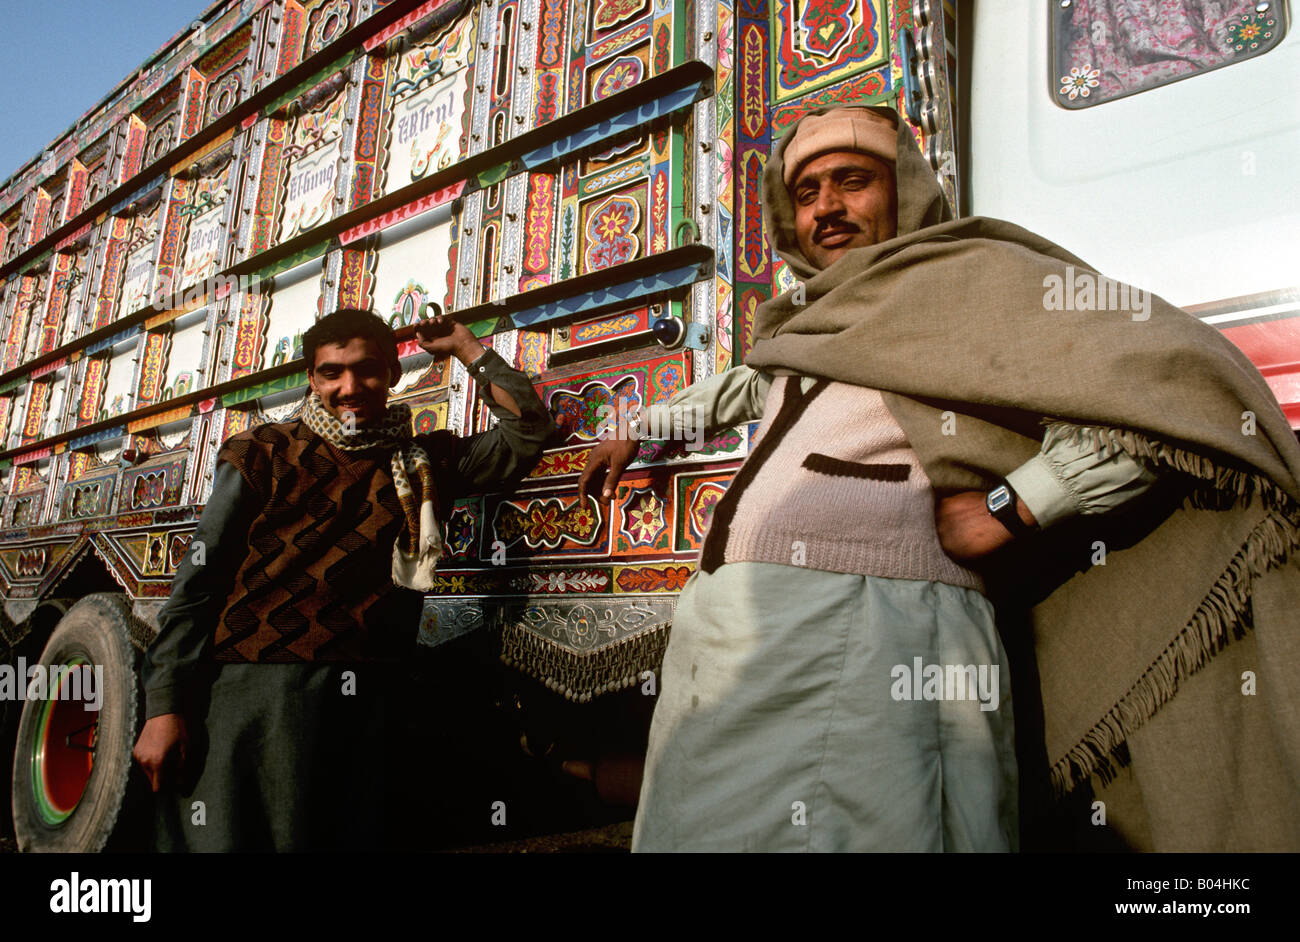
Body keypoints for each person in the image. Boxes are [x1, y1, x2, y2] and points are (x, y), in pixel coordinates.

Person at [580, 106, 1300, 852]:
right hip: (736, 633)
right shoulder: (819, 327)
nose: (826, 207)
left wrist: (1015, 505)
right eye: (806, 193)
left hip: (870, 632)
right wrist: (641, 427)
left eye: (852, 182)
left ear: (908, 189)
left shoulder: (967, 283)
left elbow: (1168, 392)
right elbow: (744, 387)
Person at [132, 307, 555, 851]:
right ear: (311, 378)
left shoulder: (423, 461)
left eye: (367, 370)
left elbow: (528, 429)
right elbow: (197, 583)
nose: (349, 387)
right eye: (331, 372)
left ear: (394, 374)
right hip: (257, 694)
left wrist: (466, 349)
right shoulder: (262, 452)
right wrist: (163, 705)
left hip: (368, 694)